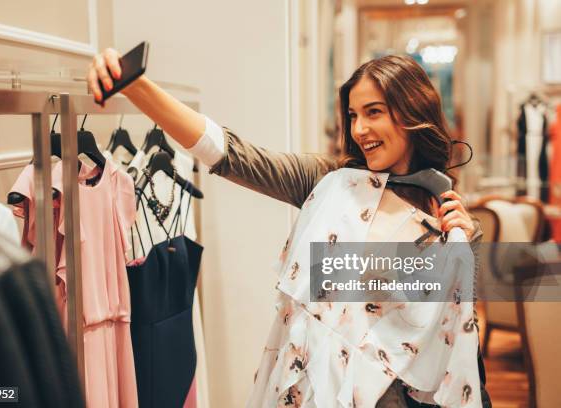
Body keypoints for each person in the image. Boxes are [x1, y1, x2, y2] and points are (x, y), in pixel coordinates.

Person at [88, 51, 490, 407]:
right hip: (312, 389)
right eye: (353, 115)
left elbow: (457, 338)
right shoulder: (330, 181)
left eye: (374, 112)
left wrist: (464, 246)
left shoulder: (444, 213)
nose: (360, 130)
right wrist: (137, 86)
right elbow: (228, 152)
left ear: (412, 113)